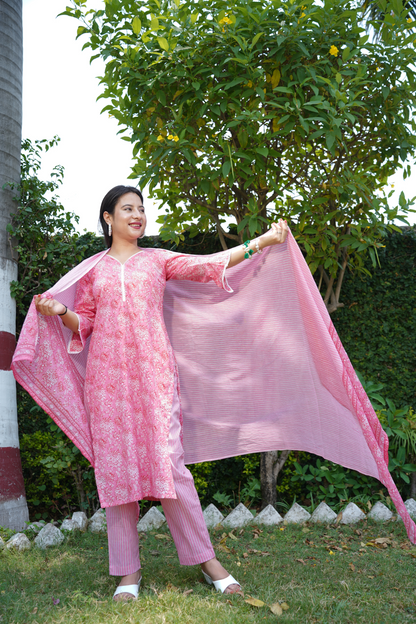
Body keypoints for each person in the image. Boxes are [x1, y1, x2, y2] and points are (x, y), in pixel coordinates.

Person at [33, 185, 289, 601]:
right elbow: (87, 321)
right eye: (127, 209)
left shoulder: (157, 259)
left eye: (141, 208)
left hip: (154, 376)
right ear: (108, 218)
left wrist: (262, 241)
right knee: (116, 472)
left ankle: (208, 562)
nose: (137, 215)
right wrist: (62, 312)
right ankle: (128, 572)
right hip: (106, 384)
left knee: (170, 466)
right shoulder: (92, 270)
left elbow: (209, 265)